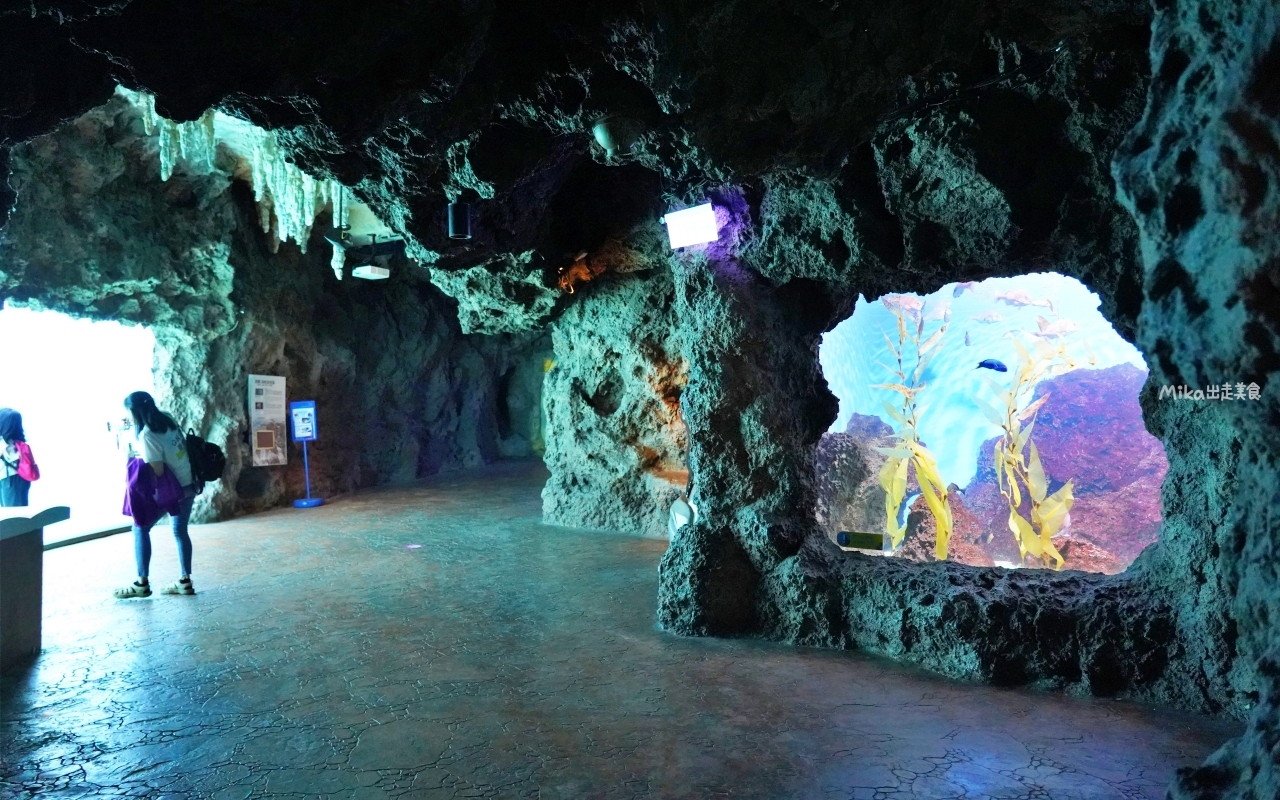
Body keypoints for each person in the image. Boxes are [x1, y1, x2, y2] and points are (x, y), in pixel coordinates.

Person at [114, 392, 198, 599]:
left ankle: (141, 583)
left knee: (140, 527)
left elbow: (158, 471)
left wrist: (137, 457)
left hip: (173, 489)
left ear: (135, 412)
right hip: (189, 483)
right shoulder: (167, 418)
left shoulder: (147, 435)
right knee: (180, 532)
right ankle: (185, 581)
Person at [0, 408, 31, 507]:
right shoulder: (16, 443)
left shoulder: (7, 443)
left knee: (14, 514)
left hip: (11, 480)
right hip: (12, 479)